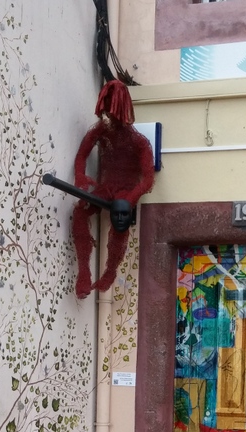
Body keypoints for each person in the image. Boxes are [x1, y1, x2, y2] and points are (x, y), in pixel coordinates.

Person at [72, 80, 155, 299]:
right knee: (80, 212)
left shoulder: (139, 142)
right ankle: (84, 272)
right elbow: (82, 155)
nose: (109, 114)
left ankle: (110, 271)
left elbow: (148, 179)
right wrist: (80, 177)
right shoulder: (101, 131)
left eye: (112, 107)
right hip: (105, 188)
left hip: (125, 192)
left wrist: (130, 199)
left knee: (120, 219)